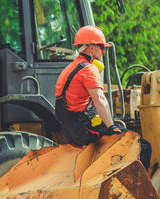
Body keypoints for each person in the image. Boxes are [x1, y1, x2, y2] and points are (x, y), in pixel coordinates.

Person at [55, 25, 151, 169]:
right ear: (91, 48)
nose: (103, 51)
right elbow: (99, 99)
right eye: (101, 47)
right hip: (82, 130)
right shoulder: (88, 69)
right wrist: (111, 126)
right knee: (142, 146)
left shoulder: (70, 68)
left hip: (71, 130)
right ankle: (137, 186)